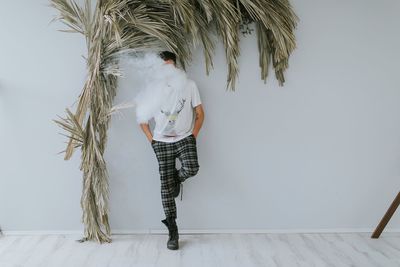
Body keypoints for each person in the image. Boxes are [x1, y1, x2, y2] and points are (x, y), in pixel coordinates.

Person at [139, 51, 205, 250]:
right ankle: (172, 231)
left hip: (185, 137)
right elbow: (142, 119)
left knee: (192, 168)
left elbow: (200, 113)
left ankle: (176, 179)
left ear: (176, 67)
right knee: (165, 188)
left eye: (170, 67)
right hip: (162, 142)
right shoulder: (152, 89)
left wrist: (193, 135)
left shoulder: (190, 85)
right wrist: (153, 141)